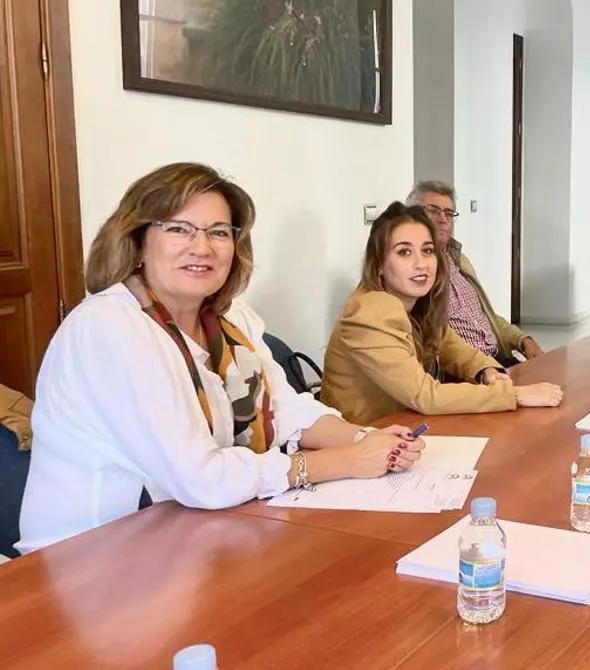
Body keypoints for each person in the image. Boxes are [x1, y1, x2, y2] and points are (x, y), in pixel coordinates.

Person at [17, 163, 425, 554]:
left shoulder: (231, 319)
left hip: (194, 530)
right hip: (91, 553)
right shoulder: (108, 326)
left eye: (218, 232)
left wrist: (368, 441)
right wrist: (346, 461)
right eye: (179, 229)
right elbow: (202, 477)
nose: (202, 247)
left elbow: (285, 409)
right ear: (137, 242)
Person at [321, 202, 564, 425]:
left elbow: (452, 348)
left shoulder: (417, 304)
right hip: (362, 439)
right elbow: (425, 395)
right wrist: (514, 395)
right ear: (378, 265)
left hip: (404, 429)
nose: (421, 263)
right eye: (404, 252)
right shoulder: (369, 312)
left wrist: (486, 371)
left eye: (427, 251)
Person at [407, 181, 544, 366]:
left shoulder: (459, 261)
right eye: (432, 210)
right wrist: (483, 368)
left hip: (496, 359)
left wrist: (523, 340)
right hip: (462, 371)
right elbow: (431, 336)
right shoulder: (411, 269)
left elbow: (488, 318)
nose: (443, 219)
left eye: (449, 213)